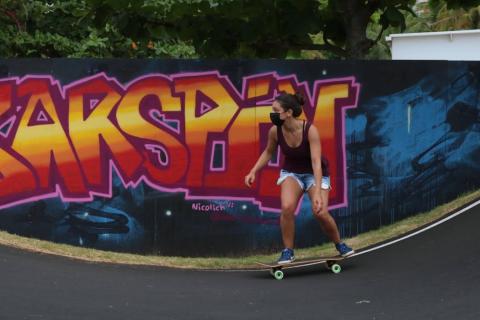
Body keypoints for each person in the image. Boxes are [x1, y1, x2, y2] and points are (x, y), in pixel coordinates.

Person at [244, 92, 354, 264]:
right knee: (287, 207)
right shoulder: (275, 131)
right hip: (292, 172)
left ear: (288, 112)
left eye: (275, 110)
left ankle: (339, 244)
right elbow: (268, 152)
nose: (272, 114)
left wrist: (317, 192)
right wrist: (253, 171)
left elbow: (316, 162)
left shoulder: (310, 130)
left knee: (321, 213)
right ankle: (288, 251)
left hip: (314, 172)